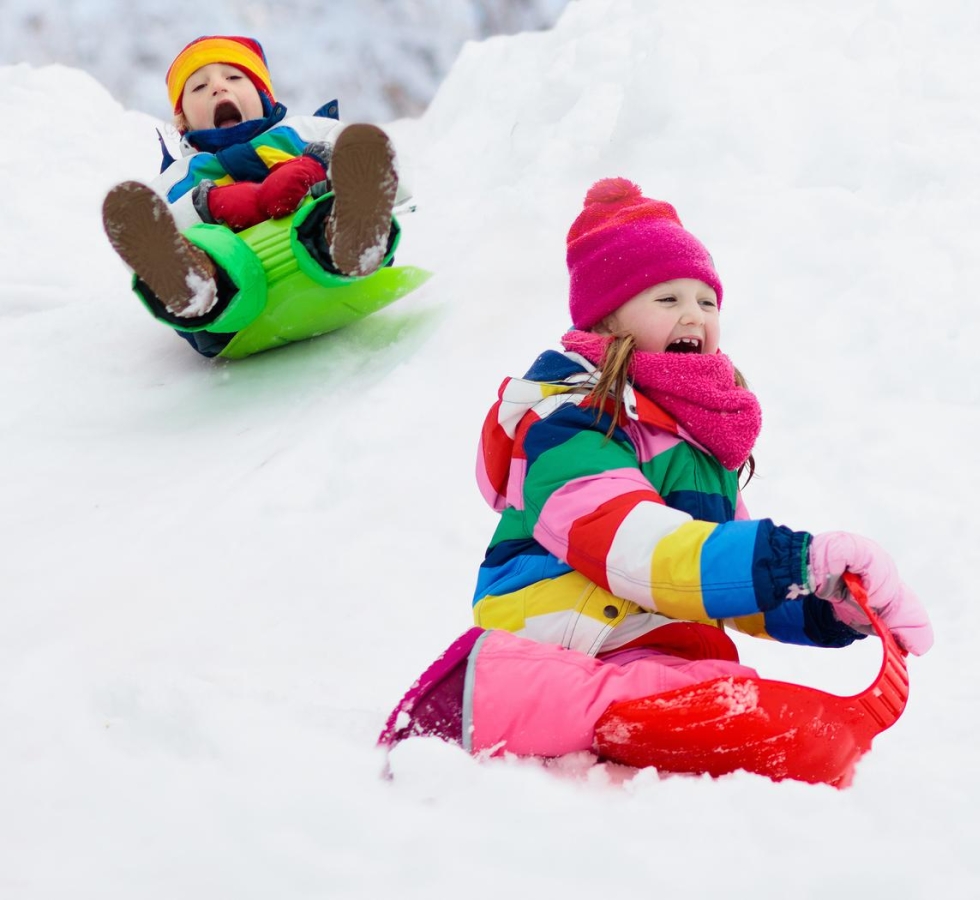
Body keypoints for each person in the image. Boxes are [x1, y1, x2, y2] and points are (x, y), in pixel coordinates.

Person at [379, 177, 933, 762]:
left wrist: (828, 597)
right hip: (569, 631)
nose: (693, 315)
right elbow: (631, 543)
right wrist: (791, 558)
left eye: (707, 302)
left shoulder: (699, 441)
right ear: (606, 322)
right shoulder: (572, 423)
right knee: (706, 698)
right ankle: (483, 689)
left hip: (650, 642)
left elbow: (723, 583)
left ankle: (675, 709)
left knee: (723, 693)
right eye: (667, 300)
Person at [102, 35, 406, 357]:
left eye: (234, 77)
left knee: (326, 201)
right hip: (233, 311)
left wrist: (315, 166)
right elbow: (145, 247)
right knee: (210, 246)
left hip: (331, 257)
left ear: (263, 96)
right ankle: (195, 286)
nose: (218, 88)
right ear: (183, 121)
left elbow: (386, 175)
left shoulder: (304, 132)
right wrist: (208, 206)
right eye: (199, 87)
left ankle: (352, 239)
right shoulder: (182, 175)